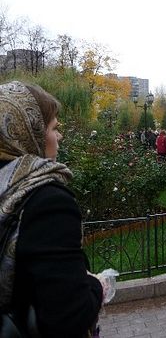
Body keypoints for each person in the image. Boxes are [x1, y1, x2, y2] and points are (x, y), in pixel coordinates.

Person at [0, 81, 103, 336]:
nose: (59, 137)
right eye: (54, 128)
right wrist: (95, 285)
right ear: (29, 132)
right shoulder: (48, 202)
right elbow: (70, 317)